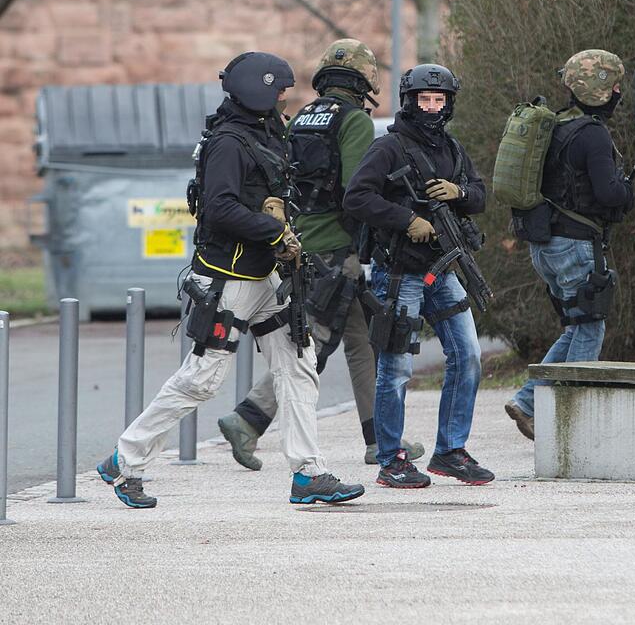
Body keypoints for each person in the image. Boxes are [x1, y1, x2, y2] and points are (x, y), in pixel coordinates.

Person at [96, 51, 365, 508]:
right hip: (227, 278)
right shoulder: (228, 142)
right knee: (202, 378)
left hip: (264, 276)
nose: (286, 98)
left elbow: (274, 192)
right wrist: (274, 228)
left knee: (299, 364)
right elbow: (219, 208)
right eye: (280, 89)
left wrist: (282, 216)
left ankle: (308, 473)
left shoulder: (267, 132)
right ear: (259, 88)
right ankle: (124, 459)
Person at [217, 39, 424, 470]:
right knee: (312, 343)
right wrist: (398, 214)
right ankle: (247, 419)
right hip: (335, 247)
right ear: (364, 80)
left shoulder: (302, 118)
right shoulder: (355, 122)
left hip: (300, 239)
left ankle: (379, 438)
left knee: (364, 339)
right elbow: (358, 190)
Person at [343, 63, 493, 488]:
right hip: (399, 274)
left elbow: (481, 194)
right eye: (424, 100)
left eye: (438, 100)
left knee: (468, 357)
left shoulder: (452, 148)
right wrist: (407, 219)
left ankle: (450, 451)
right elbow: (357, 196)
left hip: (442, 270)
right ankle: (391, 459)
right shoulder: (388, 148)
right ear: (409, 101)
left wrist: (459, 192)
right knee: (394, 370)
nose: (431, 107)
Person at [505, 49, 635, 440]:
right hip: (575, 245)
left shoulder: (557, 125)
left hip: (545, 244)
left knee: (576, 325)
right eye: (613, 86)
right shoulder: (593, 133)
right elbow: (608, 193)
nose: (616, 93)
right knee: (591, 326)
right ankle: (570, 419)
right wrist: (628, 190)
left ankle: (528, 401)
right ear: (599, 90)